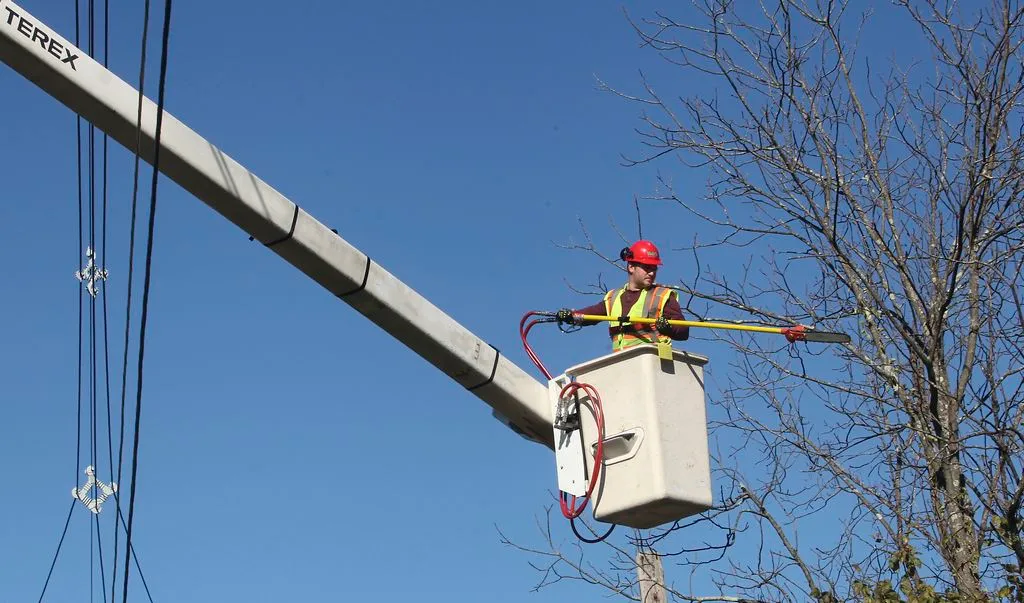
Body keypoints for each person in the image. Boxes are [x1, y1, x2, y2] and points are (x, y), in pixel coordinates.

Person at [556, 240, 690, 352]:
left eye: (654, 268)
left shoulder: (662, 296)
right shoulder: (614, 297)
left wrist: (667, 327)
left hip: (654, 364)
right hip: (624, 363)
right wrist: (571, 316)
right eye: (647, 267)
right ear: (631, 267)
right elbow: (591, 314)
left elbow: (683, 331)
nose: (651, 273)